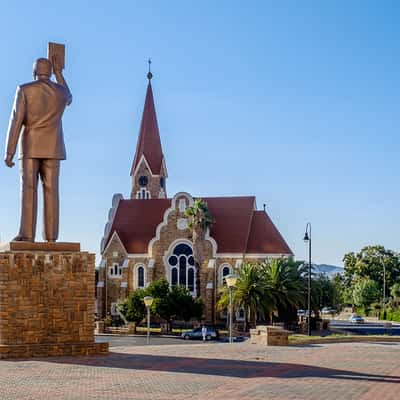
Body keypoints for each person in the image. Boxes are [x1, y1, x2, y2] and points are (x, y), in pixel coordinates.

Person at [4, 57, 72, 242]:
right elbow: (70, 98)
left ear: (34, 72)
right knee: (52, 190)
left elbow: (16, 120)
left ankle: (26, 234)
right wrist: (59, 74)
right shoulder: (61, 92)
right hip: (54, 148)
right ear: (49, 72)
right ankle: (51, 236)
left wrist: (9, 152)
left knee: (28, 188)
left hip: (31, 146)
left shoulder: (25, 90)